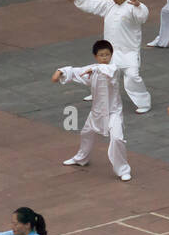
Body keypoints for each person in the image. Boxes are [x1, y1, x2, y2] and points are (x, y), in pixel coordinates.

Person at [53, 39, 131, 181]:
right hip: (96, 111)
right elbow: (76, 72)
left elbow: (109, 70)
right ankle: (81, 158)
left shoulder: (113, 69)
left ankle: (123, 170)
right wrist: (60, 72)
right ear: (96, 56)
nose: (104, 58)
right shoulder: (91, 70)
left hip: (113, 112)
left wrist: (95, 68)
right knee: (86, 133)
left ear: (111, 55)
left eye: (107, 55)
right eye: (101, 55)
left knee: (117, 138)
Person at [68, 0, 151, 113]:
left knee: (132, 76)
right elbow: (94, 3)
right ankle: (98, 95)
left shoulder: (133, 7)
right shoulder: (109, 5)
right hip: (110, 52)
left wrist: (139, 6)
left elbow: (143, 17)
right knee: (104, 75)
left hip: (129, 51)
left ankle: (144, 103)